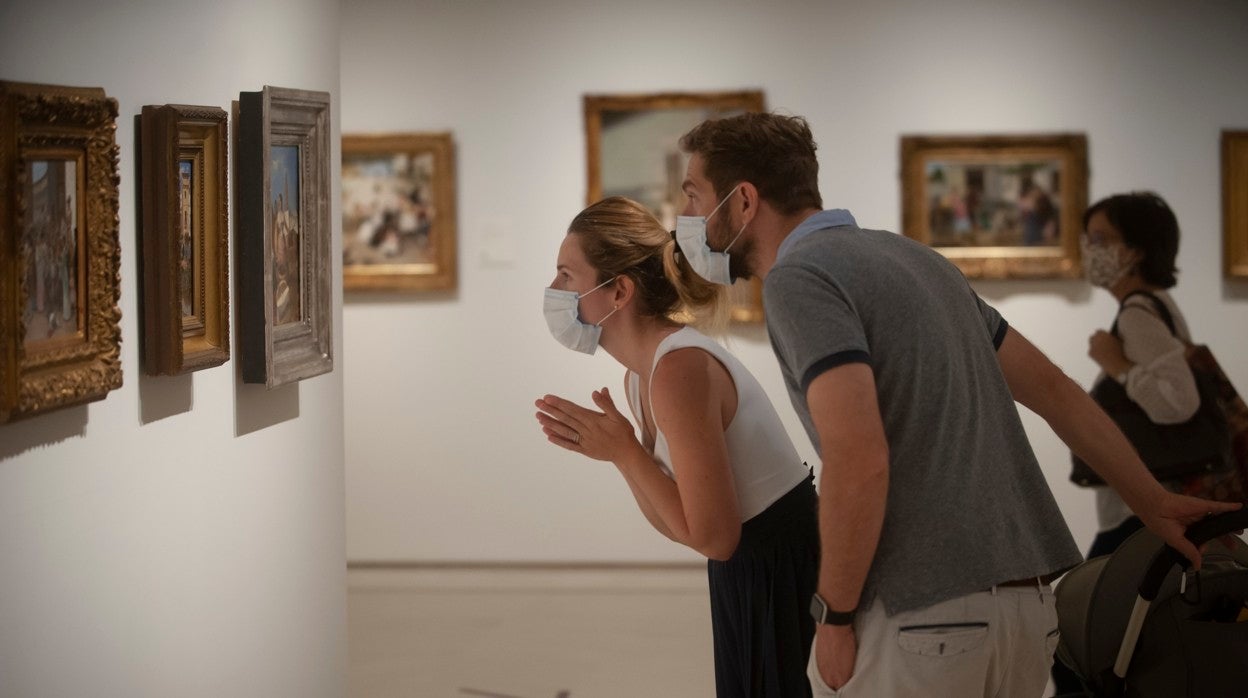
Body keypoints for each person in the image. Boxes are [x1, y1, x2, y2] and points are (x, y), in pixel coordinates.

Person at [673, 113, 1241, 698]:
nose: (686, 219)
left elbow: (858, 456)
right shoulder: (920, 261)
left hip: (922, 621)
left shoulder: (799, 279)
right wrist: (1152, 501)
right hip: (1026, 613)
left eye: (694, 195)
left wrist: (835, 615)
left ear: (743, 202)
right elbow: (1055, 391)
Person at [535, 196, 820, 697]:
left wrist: (625, 452)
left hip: (778, 558)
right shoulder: (638, 378)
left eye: (565, 276)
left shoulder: (677, 369)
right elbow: (679, 526)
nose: (554, 290)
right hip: (749, 562)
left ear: (618, 291)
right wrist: (624, 455)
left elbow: (714, 537)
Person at [1051, 191, 1204, 694]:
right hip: (1139, 510)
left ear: (1134, 251)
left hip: (1139, 513)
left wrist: (1114, 362)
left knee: (1074, 644)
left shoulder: (1138, 313)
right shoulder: (1154, 306)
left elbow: (1178, 403)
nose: (1089, 249)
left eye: (1100, 240)